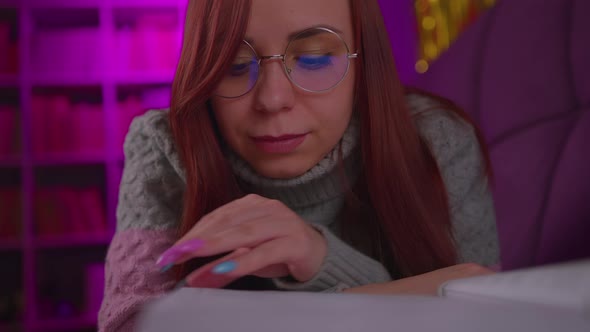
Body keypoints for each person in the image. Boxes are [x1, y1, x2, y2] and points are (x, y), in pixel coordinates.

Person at [98, 0, 499, 330]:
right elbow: (134, 325)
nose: (273, 99)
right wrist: (410, 297)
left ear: (364, 62)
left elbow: (490, 319)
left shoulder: (436, 138)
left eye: (313, 58)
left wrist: (320, 256)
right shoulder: (165, 146)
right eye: (234, 65)